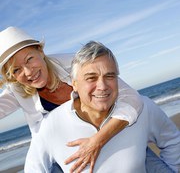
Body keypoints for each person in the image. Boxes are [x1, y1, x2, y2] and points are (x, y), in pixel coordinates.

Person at [0, 27, 143, 172]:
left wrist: (98, 140)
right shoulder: (16, 89)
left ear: (40, 51)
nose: (28, 72)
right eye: (16, 70)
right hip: (66, 153)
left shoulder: (76, 64)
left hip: (109, 134)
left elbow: (131, 97)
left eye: (29, 59)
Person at [24, 41, 180, 173]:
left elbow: (173, 141)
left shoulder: (143, 108)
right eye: (91, 78)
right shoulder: (50, 126)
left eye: (109, 76)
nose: (102, 86)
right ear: (75, 84)